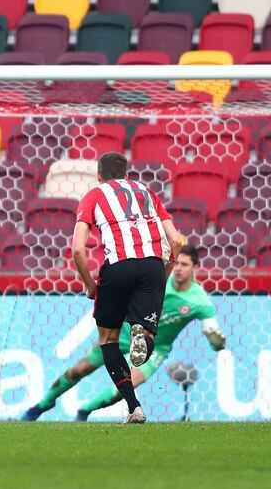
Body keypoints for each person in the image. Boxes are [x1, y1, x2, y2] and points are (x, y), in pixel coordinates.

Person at [22, 245, 226, 421]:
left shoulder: (200, 301)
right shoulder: (158, 279)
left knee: (128, 384)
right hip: (123, 334)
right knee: (79, 369)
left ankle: (84, 411)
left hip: (155, 347)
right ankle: (43, 404)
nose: (179, 269)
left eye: (185, 265)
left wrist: (216, 342)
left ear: (195, 268)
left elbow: (213, 333)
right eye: (177, 263)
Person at [65, 152, 181, 423]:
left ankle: (134, 407)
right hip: (153, 266)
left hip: (118, 266)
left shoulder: (94, 194)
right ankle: (143, 333)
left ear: (98, 176)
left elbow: (78, 250)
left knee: (108, 340)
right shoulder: (147, 192)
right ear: (127, 175)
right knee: (146, 332)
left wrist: (90, 285)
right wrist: (163, 273)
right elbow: (175, 241)